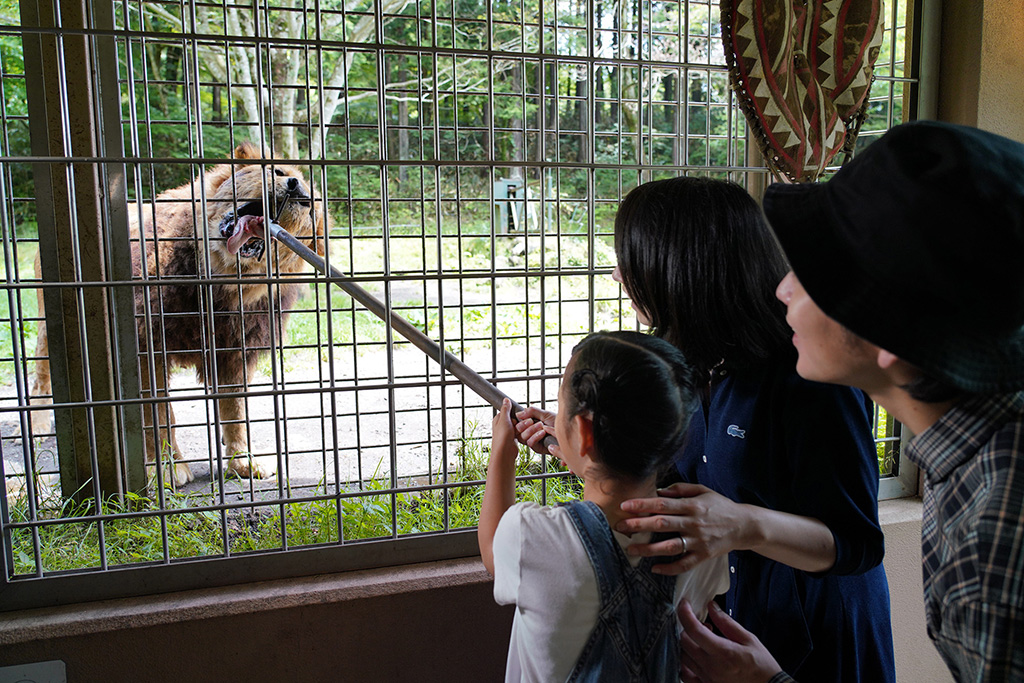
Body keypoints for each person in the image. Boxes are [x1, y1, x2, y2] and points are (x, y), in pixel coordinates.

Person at [679, 121, 1024, 682]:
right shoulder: (973, 456)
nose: (782, 289)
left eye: (814, 274)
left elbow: (853, 540)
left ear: (888, 330)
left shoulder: (996, 537)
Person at [519, 176, 896, 682]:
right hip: (730, 629)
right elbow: (674, 485)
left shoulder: (807, 372)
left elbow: (858, 544)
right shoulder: (686, 361)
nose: (619, 275)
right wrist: (583, 445)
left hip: (814, 637)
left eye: (631, 261)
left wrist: (743, 524)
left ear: (681, 269)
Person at [478, 331, 730, 683]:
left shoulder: (534, 535)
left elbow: (492, 550)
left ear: (583, 431)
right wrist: (587, 454)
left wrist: (502, 453)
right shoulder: (701, 531)